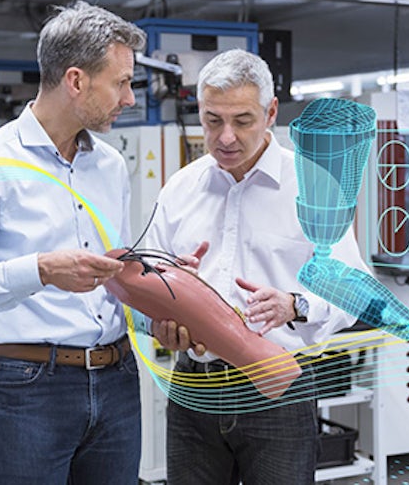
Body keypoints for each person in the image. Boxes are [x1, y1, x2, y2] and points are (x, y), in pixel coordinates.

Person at [0, 1, 146, 484]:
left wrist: (160, 289)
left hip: (118, 378)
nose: (130, 99)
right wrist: (38, 269)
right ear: (76, 81)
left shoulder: (111, 165)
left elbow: (114, 274)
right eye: (121, 83)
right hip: (31, 389)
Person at [145, 49, 370, 485]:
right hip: (195, 388)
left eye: (242, 121)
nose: (225, 137)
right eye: (212, 120)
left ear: (269, 113)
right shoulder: (180, 189)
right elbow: (150, 282)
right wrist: (162, 318)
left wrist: (295, 304)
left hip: (278, 390)